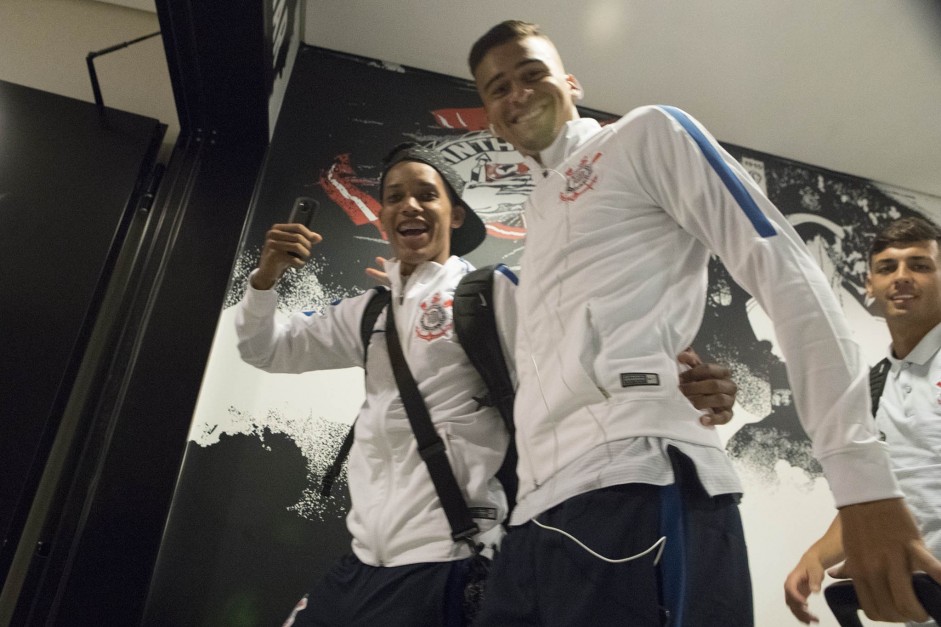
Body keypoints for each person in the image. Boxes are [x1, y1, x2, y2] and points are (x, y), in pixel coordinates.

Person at [467, 19, 941, 626]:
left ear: (571, 82)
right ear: (488, 114)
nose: (517, 94)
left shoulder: (644, 134)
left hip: (635, 483)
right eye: (497, 87)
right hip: (538, 511)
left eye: (531, 74)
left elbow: (786, 272)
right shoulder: (539, 218)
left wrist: (862, 484)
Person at [234, 143, 736, 626]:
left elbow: (587, 352)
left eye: (426, 194)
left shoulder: (490, 293)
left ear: (454, 215)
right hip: (360, 560)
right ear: (382, 218)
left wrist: (678, 382)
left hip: (446, 559)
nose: (409, 204)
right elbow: (266, 348)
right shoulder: (368, 312)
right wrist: (265, 280)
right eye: (394, 196)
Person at [785, 216, 941, 625]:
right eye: (888, 267)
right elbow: (875, 497)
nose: (902, 277)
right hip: (919, 603)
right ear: (869, 285)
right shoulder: (873, 386)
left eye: (920, 265)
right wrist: (815, 556)